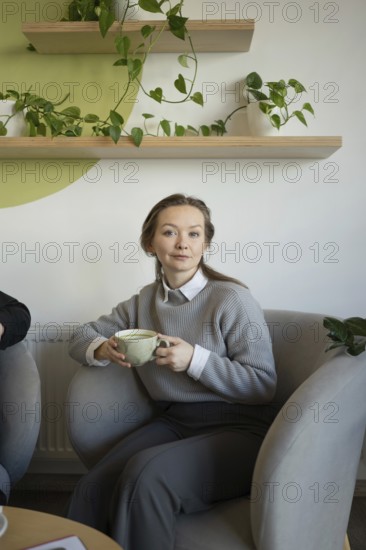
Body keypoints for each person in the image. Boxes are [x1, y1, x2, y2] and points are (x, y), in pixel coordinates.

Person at [67, 193, 277, 550]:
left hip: (241, 429)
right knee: (93, 487)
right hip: (175, 422)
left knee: (147, 477)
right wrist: (102, 348)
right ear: (150, 243)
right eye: (169, 232)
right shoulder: (141, 302)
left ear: (206, 242)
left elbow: (262, 385)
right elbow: (79, 336)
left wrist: (195, 360)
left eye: (194, 234)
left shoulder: (231, 299)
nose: (183, 243)